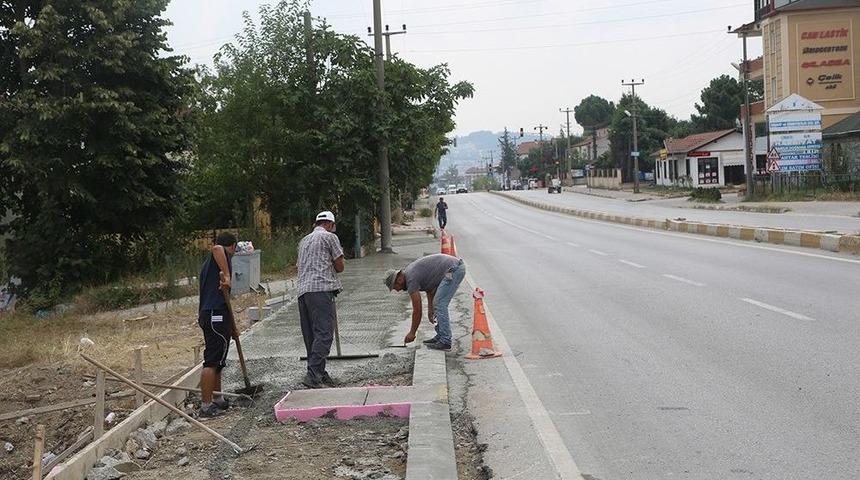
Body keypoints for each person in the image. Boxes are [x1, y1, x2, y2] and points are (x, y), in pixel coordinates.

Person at [297, 210, 345, 388]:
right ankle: (313, 375)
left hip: (303, 291)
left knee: (311, 334)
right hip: (321, 289)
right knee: (324, 333)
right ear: (330, 225)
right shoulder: (330, 237)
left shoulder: (303, 241)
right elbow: (340, 267)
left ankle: (319, 371)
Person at [383, 253, 466, 351]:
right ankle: (440, 336)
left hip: (454, 269)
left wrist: (412, 332)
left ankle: (445, 341)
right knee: (437, 304)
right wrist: (430, 309)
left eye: (395, 287)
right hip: (453, 267)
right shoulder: (410, 274)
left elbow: (417, 310)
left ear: (399, 279)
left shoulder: (411, 279)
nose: (397, 290)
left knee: (440, 303)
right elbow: (429, 288)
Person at [197, 232, 238, 417]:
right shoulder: (220, 254)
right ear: (234, 246)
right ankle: (206, 405)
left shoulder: (211, 267)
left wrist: (232, 327)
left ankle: (217, 398)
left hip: (217, 314)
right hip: (215, 315)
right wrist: (228, 275)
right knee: (212, 360)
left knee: (219, 360)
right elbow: (216, 247)